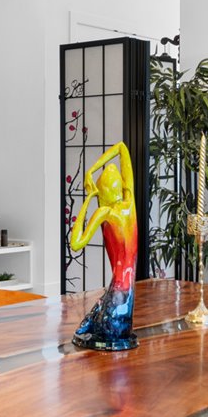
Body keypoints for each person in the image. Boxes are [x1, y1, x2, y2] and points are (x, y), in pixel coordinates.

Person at [68, 141, 138, 351]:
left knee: (97, 328)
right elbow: (122, 147)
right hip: (127, 290)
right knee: (91, 325)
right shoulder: (129, 202)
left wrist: (88, 201)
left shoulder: (105, 212)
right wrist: (93, 170)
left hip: (118, 293)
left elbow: (75, 243)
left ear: (102, 195)